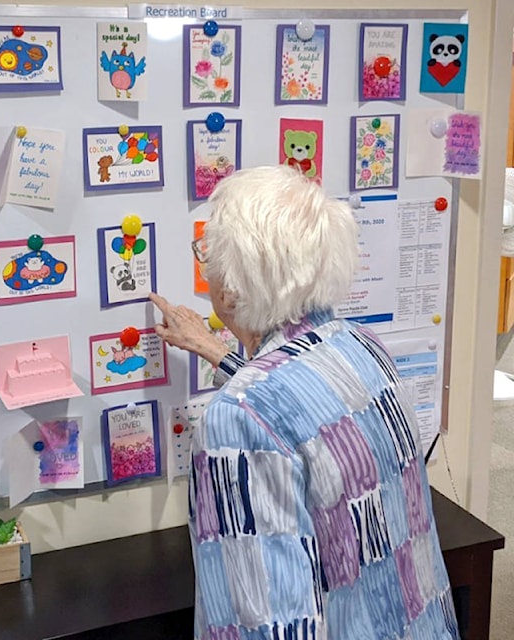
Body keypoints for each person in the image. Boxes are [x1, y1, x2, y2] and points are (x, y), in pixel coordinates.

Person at [150, 165, 458, 639]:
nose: (205, 267)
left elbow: (265, 621)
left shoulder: (237, 418)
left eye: (205, 254)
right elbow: (297, 412)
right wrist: (217, 351)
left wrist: (235, 381)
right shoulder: (361, 346)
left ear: (231, 288)